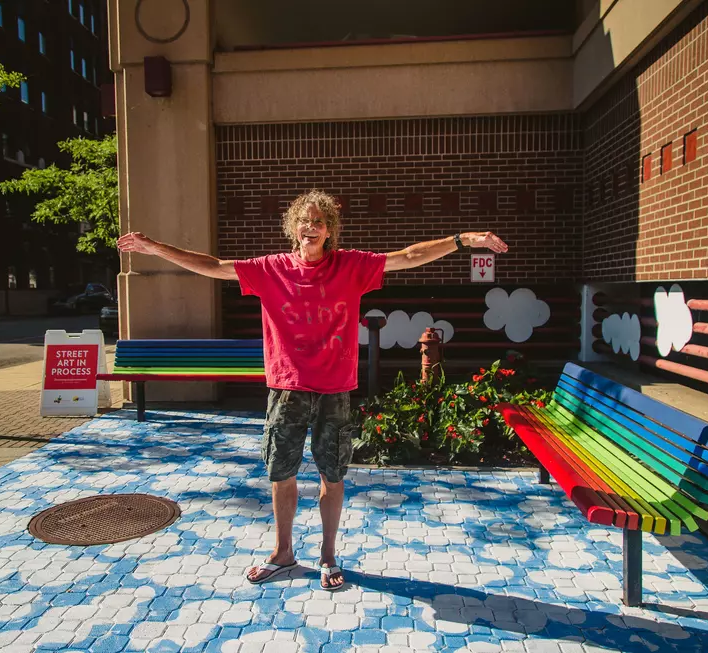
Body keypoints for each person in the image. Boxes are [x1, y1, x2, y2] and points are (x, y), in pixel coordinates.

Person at [117, 189, 508, 590]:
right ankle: (283, 553)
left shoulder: (351, 266)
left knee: (332, 474)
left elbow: (407, 257)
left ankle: (327, 555)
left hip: (334, 388)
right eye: (305, 219)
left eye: (320, 221)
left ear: (330, 230)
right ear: (294, 226)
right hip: (287, 387)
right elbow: (214, 266)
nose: (311, 226)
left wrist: (462, 239)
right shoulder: (271, 269)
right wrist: (156, 249)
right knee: (281, 472)